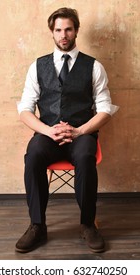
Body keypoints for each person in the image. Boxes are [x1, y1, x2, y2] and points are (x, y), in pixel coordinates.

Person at [16, 7, 118, 253]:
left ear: (76, 31)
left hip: (81, 133)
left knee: (85, 156)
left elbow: (105, 109)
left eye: (68, 29)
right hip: (47, 133)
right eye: (59, 29)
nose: (64, 34)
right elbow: (25, 110)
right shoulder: (37, 67)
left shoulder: (94, 67)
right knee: (33, 155)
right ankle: (37, 226)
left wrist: (80, 131)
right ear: (52, 32)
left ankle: (87, 225)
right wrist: (48, 131)